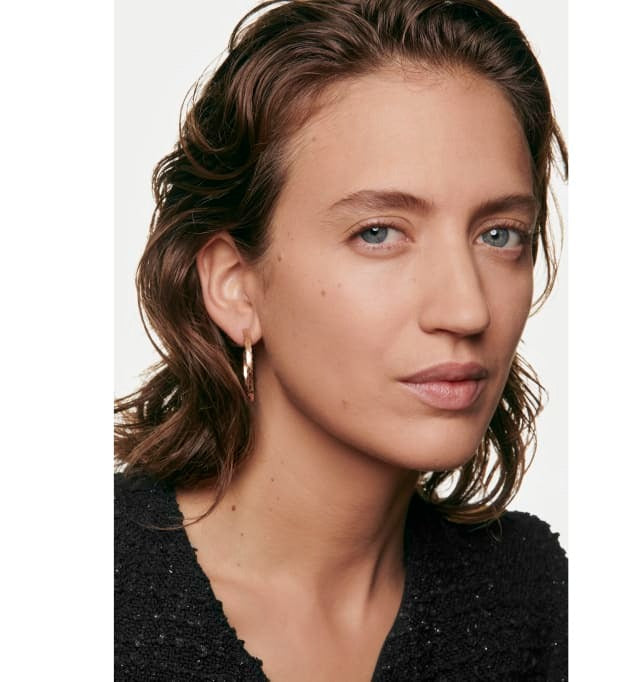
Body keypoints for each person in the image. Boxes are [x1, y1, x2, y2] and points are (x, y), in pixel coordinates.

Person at [114, 0, 568, 679]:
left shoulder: (536, 601)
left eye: (499, 234)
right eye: (378, 233)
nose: (467, 309)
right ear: (236, 286)